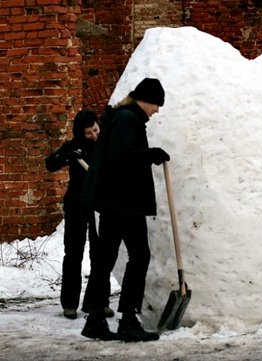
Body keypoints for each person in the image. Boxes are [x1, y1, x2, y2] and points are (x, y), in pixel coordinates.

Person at [80, 78, 170, 342]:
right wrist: (149, 154)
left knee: (105, 259)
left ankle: (95, 319)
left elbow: (120, 154)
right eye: (156, 104)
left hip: (115, 201)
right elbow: (121, 157)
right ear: (146, 100)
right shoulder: (127, 120)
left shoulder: (122, 117)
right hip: (122, 203)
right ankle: (128, 319)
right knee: (139, 256)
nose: (157, 111)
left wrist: (145, 154)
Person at [45, 109, 114, 320]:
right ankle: (70, 303)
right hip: (76, 205)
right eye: (88, 133)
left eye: (95, 130)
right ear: (80, 133)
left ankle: (99, 302)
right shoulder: (73, 147)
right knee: (73, 253)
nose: (94, 135)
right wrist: (68, 156)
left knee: (100, 255)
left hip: (99, 205)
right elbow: (51, 163)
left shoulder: (106, 145)